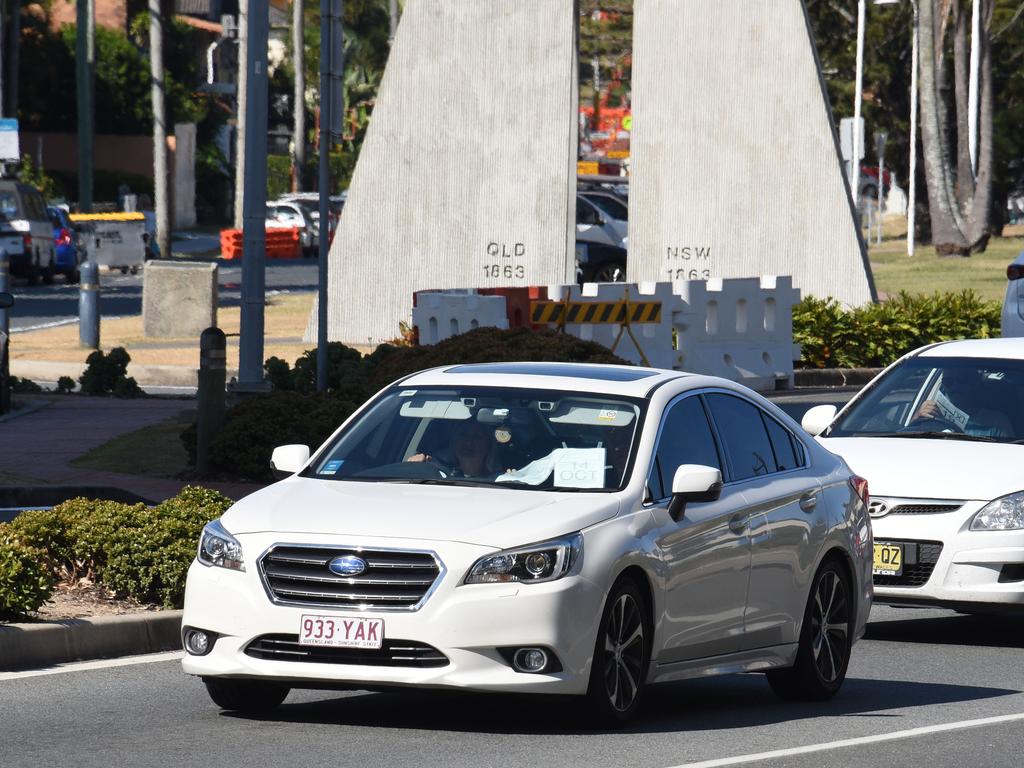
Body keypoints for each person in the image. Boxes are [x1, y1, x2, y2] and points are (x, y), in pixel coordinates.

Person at [910, 367, 1013, 438]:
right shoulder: (932, 414)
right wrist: (916, 418)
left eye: (962, 380)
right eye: (948, 382)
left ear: (975, 383)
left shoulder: (997, 421)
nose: (955, 387)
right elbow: (908, 443)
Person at [407, 420, 496, 477]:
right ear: (453, 441)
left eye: (477, 437)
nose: (469, 442)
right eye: (463, 435)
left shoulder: (499, 481)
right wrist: (412, 468)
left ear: (488, 444)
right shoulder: (435, 474)